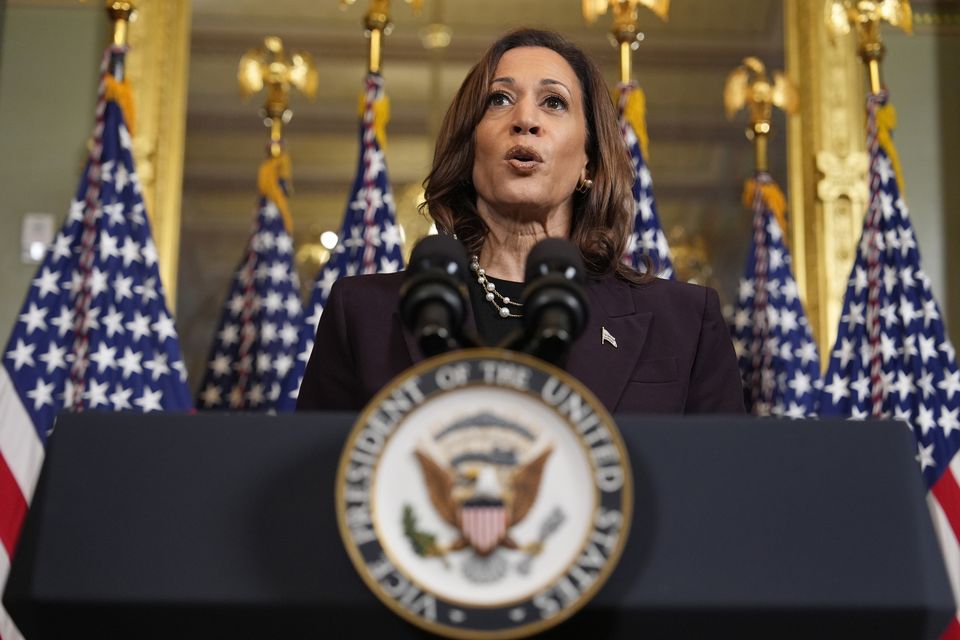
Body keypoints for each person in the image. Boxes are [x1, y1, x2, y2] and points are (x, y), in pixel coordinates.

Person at [297, 28, 744, 415]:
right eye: (500, 99)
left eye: (553, 102)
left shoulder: (684, 324)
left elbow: (719, 495)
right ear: (470, 148)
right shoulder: (363, 314)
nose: (525, 119)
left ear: (589, 162)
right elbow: (320, 488)